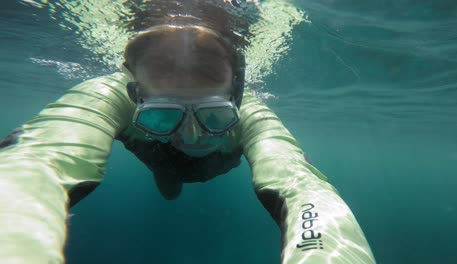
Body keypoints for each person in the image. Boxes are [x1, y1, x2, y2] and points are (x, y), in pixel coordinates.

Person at [0, 0, 375, 263]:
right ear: (135, 95)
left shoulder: (252, 114)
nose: (191, 136)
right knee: (169, 183)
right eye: (162, 117)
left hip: (166, 157)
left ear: (237, 95)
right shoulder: (107, 96)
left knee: (168, 182)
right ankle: (170, 175)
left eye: (214, 117)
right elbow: (33, 165)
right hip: (166, 164)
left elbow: (304, 188)